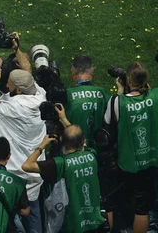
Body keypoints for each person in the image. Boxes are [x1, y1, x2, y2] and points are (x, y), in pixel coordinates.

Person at [0, 56, 46, 233]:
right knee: (34, 213)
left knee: (9, 218)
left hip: (12, 177)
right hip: (34, 173)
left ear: (18, 89)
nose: (6, 86)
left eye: (9, 84)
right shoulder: (41, 96)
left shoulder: (8, 108)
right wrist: (17, 48)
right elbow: (27, 73)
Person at [23, 106, 104, 233]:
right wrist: (64, 119)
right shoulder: (92, 154)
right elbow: (80, 140)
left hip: (71, 223)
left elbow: (27, 165)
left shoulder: (60, 163)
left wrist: (42, 146)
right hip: (94, 220)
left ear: (61, 140)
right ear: (83, 141)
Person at [103, 61, 158, 233]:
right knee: (142, 207)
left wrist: (119, 92)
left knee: (121, 201)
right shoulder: (155, 96)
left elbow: (107, 123)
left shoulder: (117, 102)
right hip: (151, 160)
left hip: (126, 162)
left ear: (127, 81)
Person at [65, 55, 109, 149]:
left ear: (73, 72)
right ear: (92, 72)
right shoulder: (103, 93)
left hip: (75, 150)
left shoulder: (67, 95)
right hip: (100, 149)